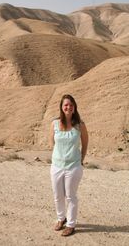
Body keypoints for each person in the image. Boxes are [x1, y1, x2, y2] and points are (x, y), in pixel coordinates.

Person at [50, 94, 88, 237]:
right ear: (61, 107)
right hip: (56, 166)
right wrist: (57, 156)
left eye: (71, 105)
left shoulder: (80, 125)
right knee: (57, 195)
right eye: (66, 105)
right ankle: (61, 218)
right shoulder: (54, 123)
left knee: (71, 196)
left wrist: (81, 159)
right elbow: (52, 142)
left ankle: (71, 224)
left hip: (73, 166)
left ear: (74, 108)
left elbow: (85, 143)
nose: (68, 107)